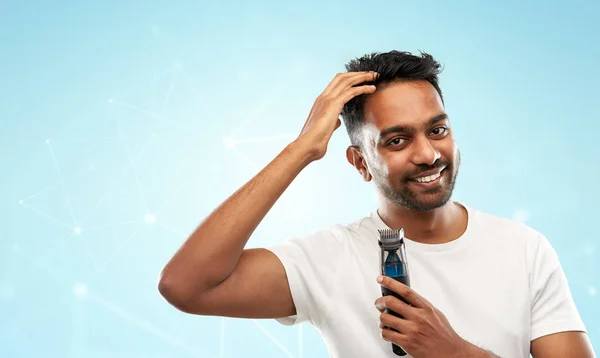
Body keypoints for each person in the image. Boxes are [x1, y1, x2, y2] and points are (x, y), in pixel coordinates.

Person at [157, 51, 595, 358]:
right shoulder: (325, 259)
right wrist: (302, 149)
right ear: (360, 162)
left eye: (437, 130)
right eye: (397, 140)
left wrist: (453, 353)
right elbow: (186, 285)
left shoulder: (524, 249)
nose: (427, 154)